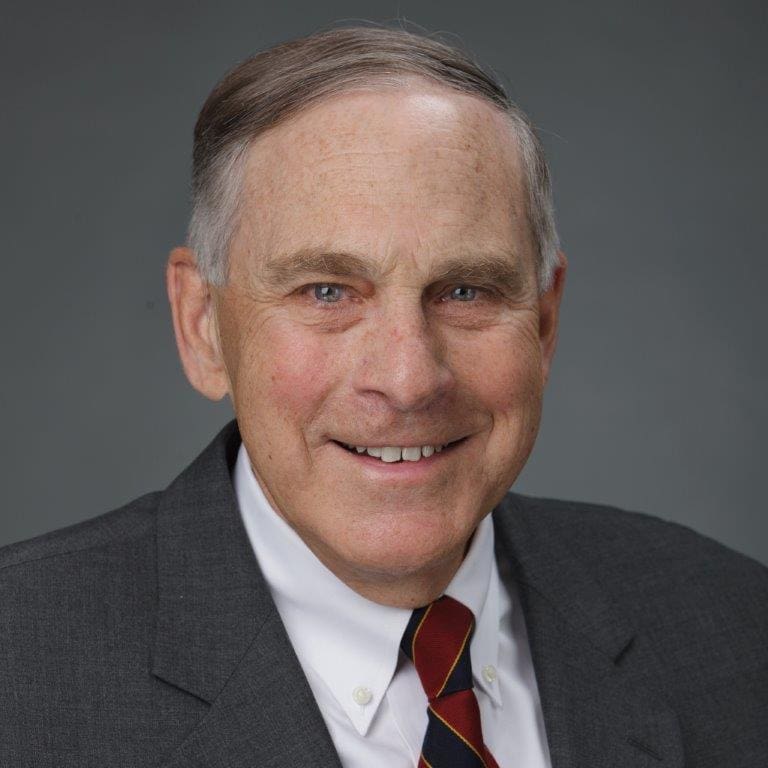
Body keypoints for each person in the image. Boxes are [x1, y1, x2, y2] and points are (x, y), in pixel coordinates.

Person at [1, 25, 766, 768]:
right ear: (203, 327)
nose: (406, 379)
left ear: (543, 320)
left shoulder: (733, 626)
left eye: (465, 291)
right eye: (327, 290)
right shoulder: (21, 674)